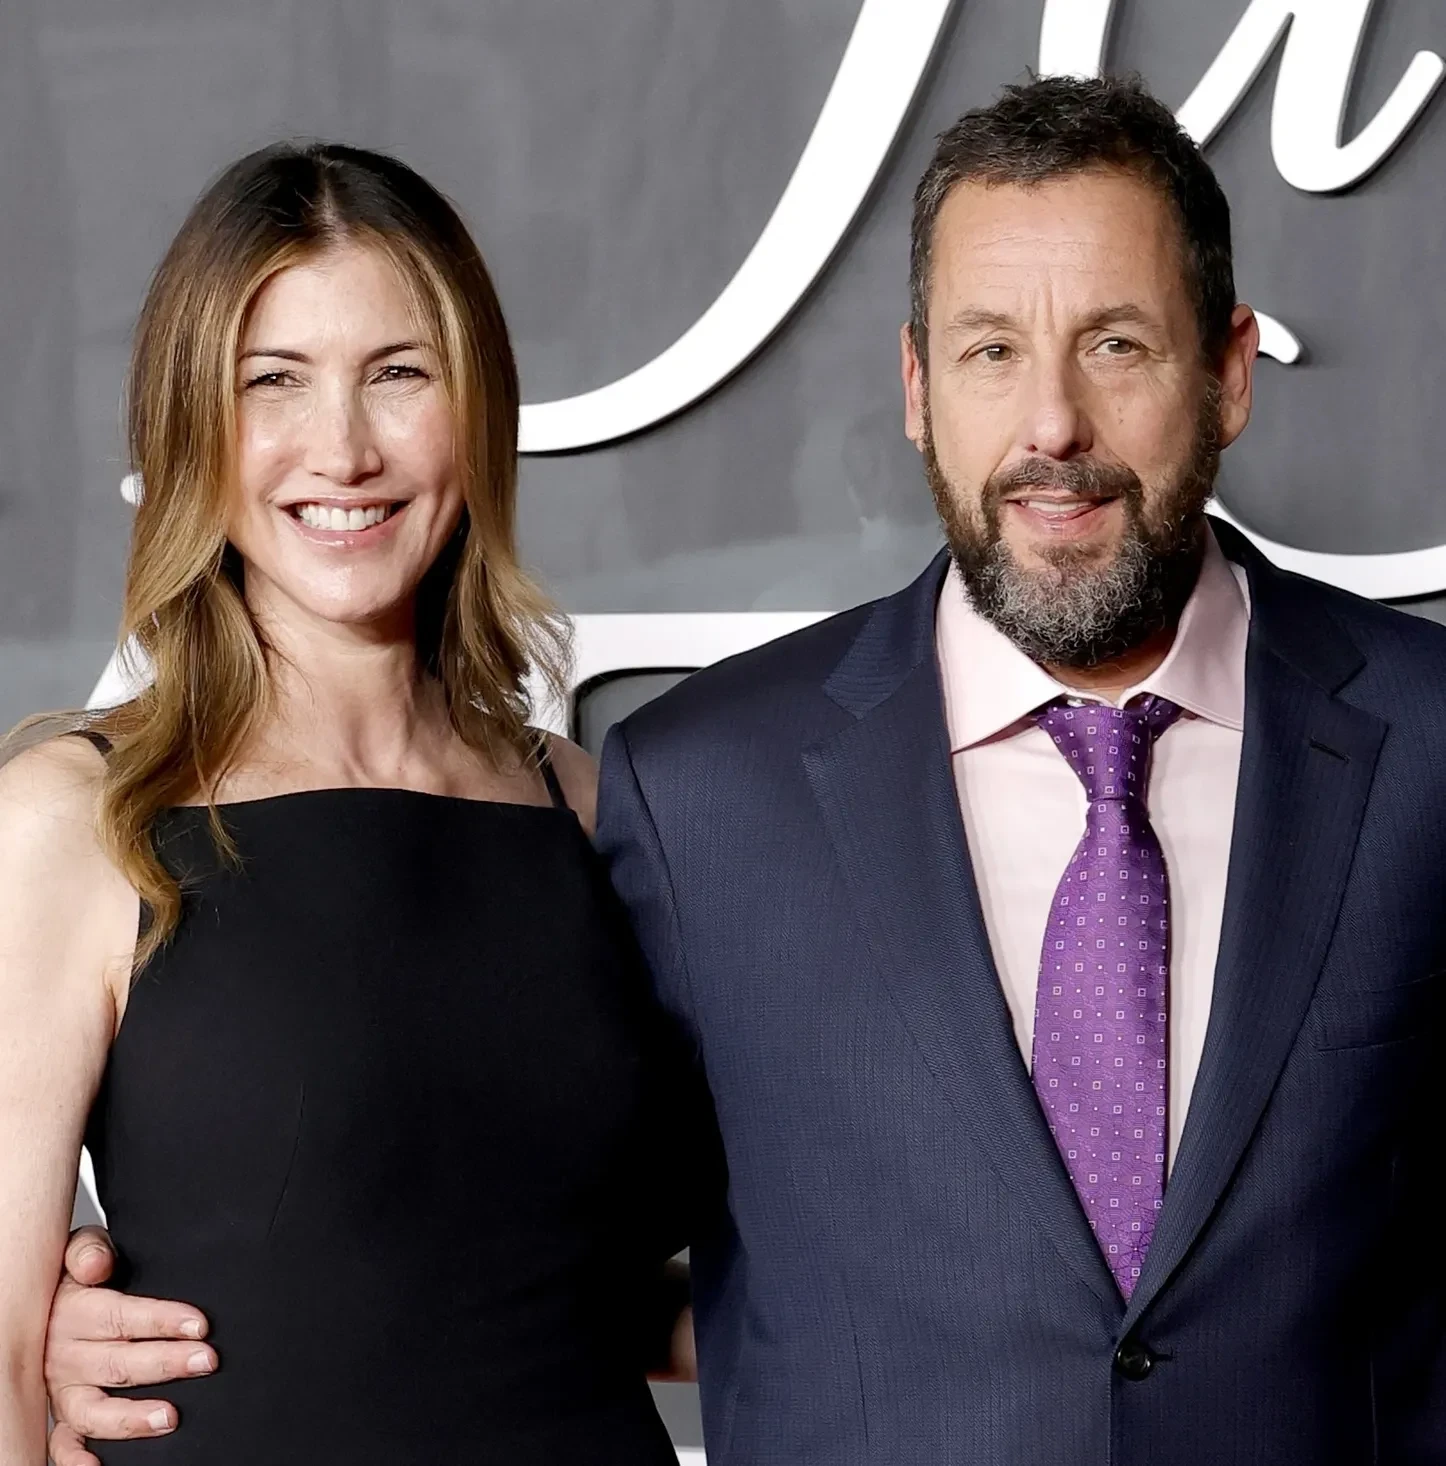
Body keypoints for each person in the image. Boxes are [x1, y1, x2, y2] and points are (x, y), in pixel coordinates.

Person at [46, 75, 1446, 1464]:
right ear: (915, 385)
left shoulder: (577, 805)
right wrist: (56, 1323)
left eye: (1117, 343)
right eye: (989, 350)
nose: (1050, 426)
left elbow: (598, 1262)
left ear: (1228, 373)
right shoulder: (702, 790)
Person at [3, 142, 711, 1465]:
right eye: (271, 380)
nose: (341, 448)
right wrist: (41, 1339)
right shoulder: (73, 822)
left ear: (477, 409)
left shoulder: (590, 811)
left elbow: (572, 1292)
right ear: (191, 423)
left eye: (399, 373)